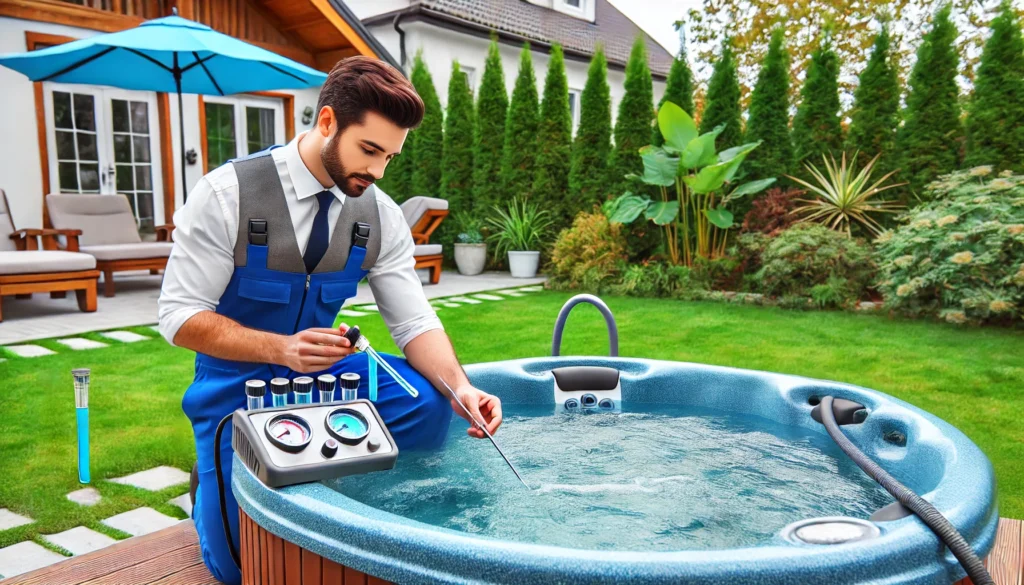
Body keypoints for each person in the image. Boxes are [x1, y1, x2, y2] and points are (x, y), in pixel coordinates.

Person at [157, 56, 503, 585]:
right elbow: (178, 317)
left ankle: (354, 498)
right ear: (326, 122)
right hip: (235, 382)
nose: (379, 171)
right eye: (369, 150)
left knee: (433, 406)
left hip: (330, 374)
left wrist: (462, 389)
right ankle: (207, 488)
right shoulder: (225, 194)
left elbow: (413, 323)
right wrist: (280, 349)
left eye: (390, 155)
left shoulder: (379, 214)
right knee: (237, 569)